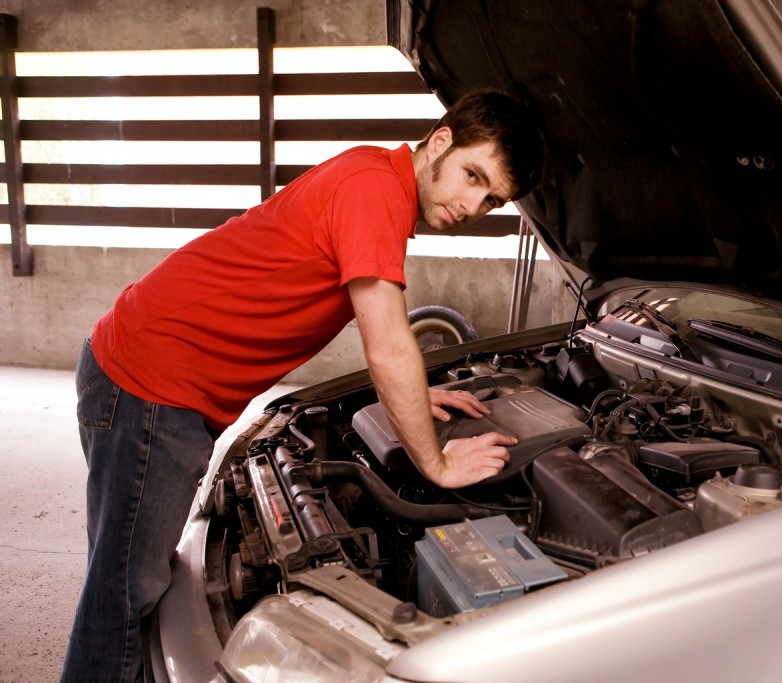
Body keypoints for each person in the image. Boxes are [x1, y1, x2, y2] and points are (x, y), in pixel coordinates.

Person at [61, 88, 545, 683]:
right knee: (123, 593)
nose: (473, 204)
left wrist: (414, 400)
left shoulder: (374, 176)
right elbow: (388, 341)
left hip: (150, 375)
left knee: (129, 579)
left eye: (492, 198)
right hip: (153, 386)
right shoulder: (375, 192)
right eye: (473, 176)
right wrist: (436, 463)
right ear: (440, 142)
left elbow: (383, 338)